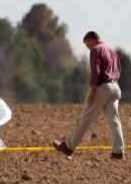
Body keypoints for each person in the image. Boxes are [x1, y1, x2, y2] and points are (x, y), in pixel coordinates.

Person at [52, 31, 126, 160]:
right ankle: (118, 152)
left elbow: (95, 70)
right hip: (115, 87)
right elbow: (118, 69)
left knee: (85, 117)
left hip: (102, 87)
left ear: (91, 40)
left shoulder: (96, 50)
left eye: (87, 44)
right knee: (114, 120)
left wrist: (92, 89)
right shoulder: (111, 50)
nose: (88, 48)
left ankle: (68, 147)